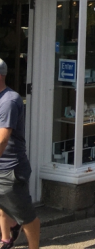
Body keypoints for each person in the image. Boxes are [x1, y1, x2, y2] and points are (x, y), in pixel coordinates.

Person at [0, 58, 39, 249]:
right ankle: (7, 236)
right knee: (3, 206)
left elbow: (3, 139)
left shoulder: (9, 101)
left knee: (26, 216)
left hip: (10, 169)